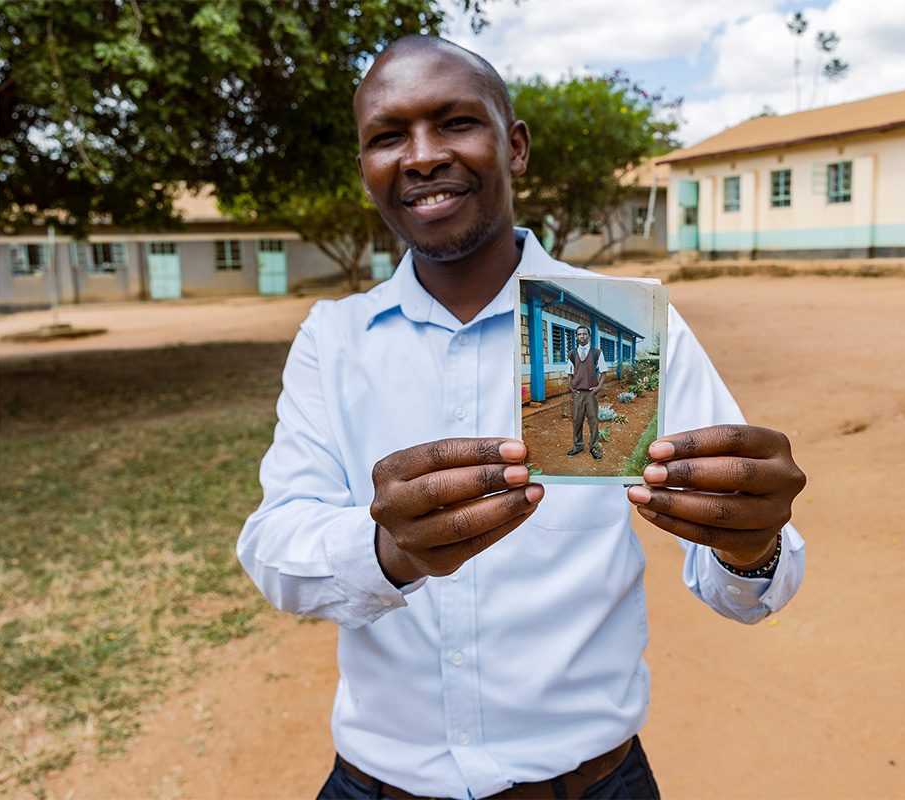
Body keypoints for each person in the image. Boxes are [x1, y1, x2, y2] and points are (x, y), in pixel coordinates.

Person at [237, 34, 807, 800]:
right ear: (366, 168)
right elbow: (274, 547)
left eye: (455, 123)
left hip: (591, 783)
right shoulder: (334, 340)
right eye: (387, 136)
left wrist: (752, 546)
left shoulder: (618, 329)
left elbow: (745, 587)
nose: (422, 155)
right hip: (380, 784)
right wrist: (388, 548)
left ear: (516, 146)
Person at [566, 325, 606, 459]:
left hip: (591, 393)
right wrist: (571, 386)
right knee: (577, 420)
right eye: (579, 334)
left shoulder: (597, 353)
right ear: (576, 337)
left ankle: (594, 448)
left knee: (593, 421)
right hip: (577, 394)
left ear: (588, 336)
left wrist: (598, 387)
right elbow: (570, 372)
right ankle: (578, 446)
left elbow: (604, 371)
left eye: (584, 334)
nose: (582, 336)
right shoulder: (572, 354)